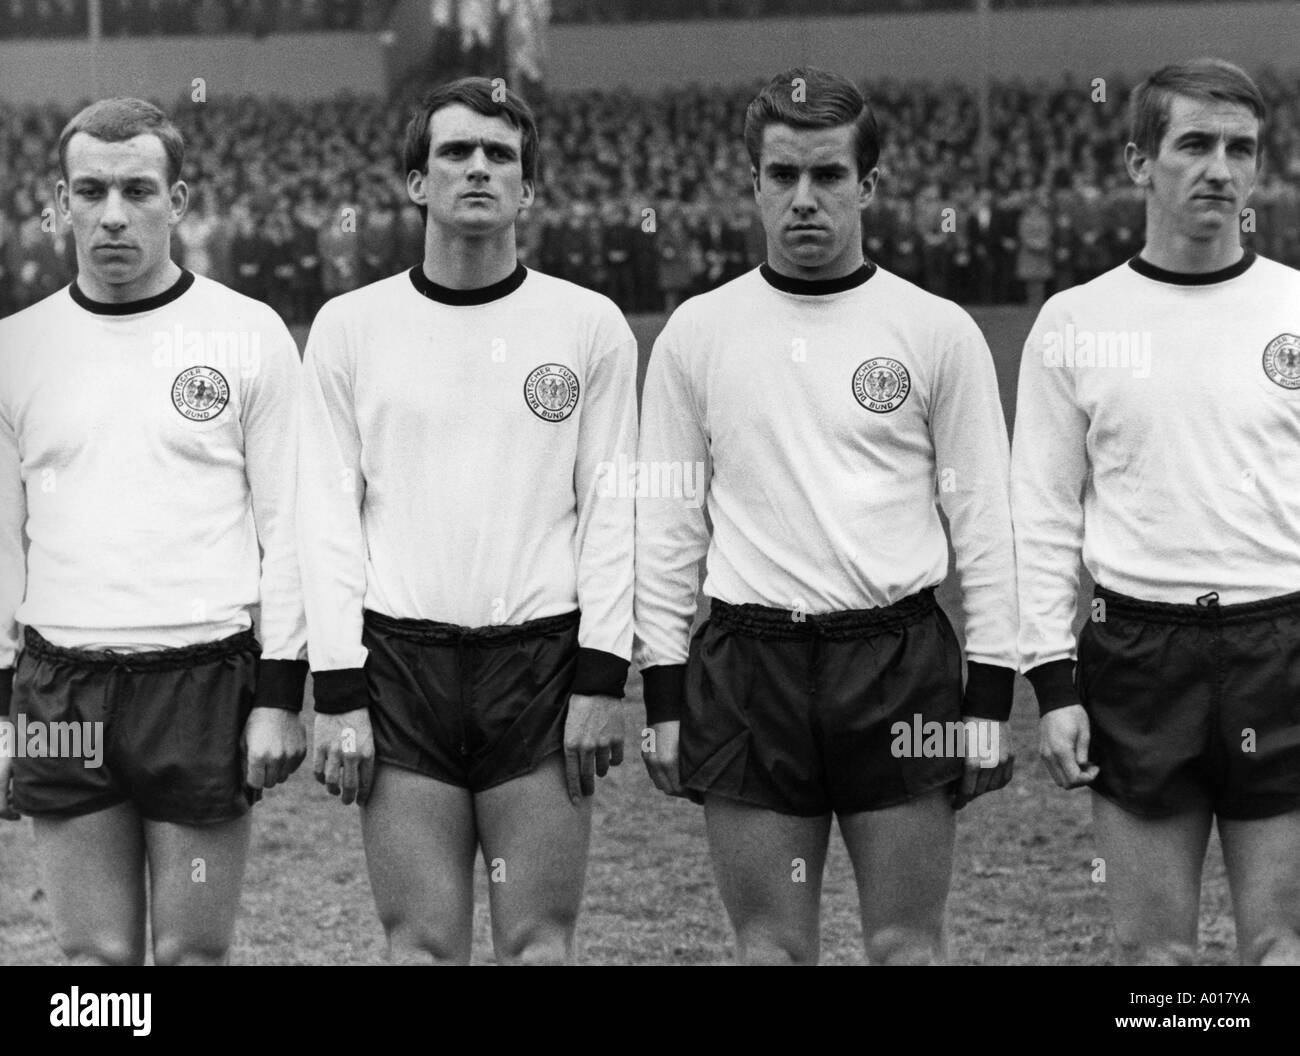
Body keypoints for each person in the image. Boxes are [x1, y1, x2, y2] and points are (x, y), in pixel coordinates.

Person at [635, 67, 1017, 966]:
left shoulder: (937, 330)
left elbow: (988, 528)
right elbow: (667, 529)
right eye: (782, 176)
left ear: (869, 185)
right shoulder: (697, 332)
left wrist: (991, 699)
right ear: (754, 184)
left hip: (900, 668)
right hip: (748, 669)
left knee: (905, 946)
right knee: (768, 945)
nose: (804, 199)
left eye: (829, 176)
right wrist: (662, 692)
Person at [298, 77, 636, 965]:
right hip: (400, 669)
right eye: (455, 152)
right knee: (421, 943)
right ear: (416, 182)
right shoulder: (348, 327)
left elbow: (611, 510)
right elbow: (326, 520)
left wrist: (603, 679)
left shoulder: (588, 325)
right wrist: (337, 693)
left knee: (537, 943)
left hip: (541, 664)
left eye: (501, 156)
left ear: (529, 189)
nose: (478, 168)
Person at [0, 97, 307, 965]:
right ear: (59, 203)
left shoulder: (247, 335)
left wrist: (280, 696)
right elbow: (0, 550)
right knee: (93, 961)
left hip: (202, 679)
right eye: (89, 191)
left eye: (137, 189)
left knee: (190, 956)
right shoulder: (15, 348)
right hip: (62, 687)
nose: (112, 214)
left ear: (178, 201)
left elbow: (290, 526)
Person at [1014, 59, 1300, 966]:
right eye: (1194, 144)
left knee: (1282, 944)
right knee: (1153, 959)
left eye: (1240, 149)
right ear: (1141, 161)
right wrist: (1053, 684)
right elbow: (1043, 516)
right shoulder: (1074, 322)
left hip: (1283, 647)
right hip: (1139, 659)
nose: (1219, 167)